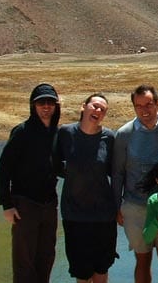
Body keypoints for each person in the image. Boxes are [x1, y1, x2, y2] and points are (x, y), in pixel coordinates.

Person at [112, 84, 158, 283]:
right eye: (139, 106)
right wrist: (116, 206)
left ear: (157, 104)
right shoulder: (124, 134)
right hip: (135, 208)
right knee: (142, 259)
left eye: (149, 104)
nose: (145, 110)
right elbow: (117, 173)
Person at [0, 83, 61, 283]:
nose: (46, 106)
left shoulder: (57, 132)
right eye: (41, 102)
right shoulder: (22, 132)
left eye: (50, 102)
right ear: (33, 106)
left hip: (49, 204)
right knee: (24, 260)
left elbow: (57, 166)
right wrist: (6, 204)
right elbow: (3, 169)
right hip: (25, 204)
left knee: (47, 256)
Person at [53, 93, 117, 283]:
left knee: (101, 268)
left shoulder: (109, 137)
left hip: (103, 216)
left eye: (102, 109)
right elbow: (55, 165)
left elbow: (115, 173)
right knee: (81, 273)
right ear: (84, 107)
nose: (98, 110)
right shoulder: (65, 133)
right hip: (75, 215)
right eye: (95, 106)